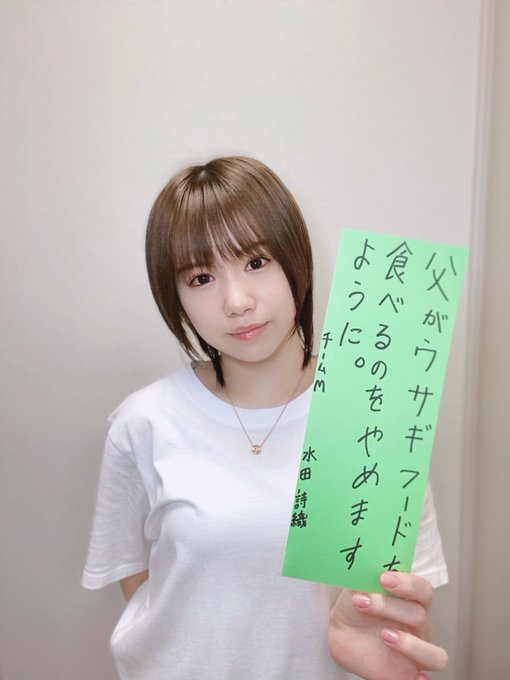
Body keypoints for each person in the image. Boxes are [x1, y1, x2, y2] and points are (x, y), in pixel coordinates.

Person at [82, 156, 449, 680]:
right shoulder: (143, 422)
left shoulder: (375, 411)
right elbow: (145, 597)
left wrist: (399, 644)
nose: (237, 302)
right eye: (201, 277)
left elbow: (398, 609)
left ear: (295, 258)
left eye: (256, 262)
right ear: (175, 296)